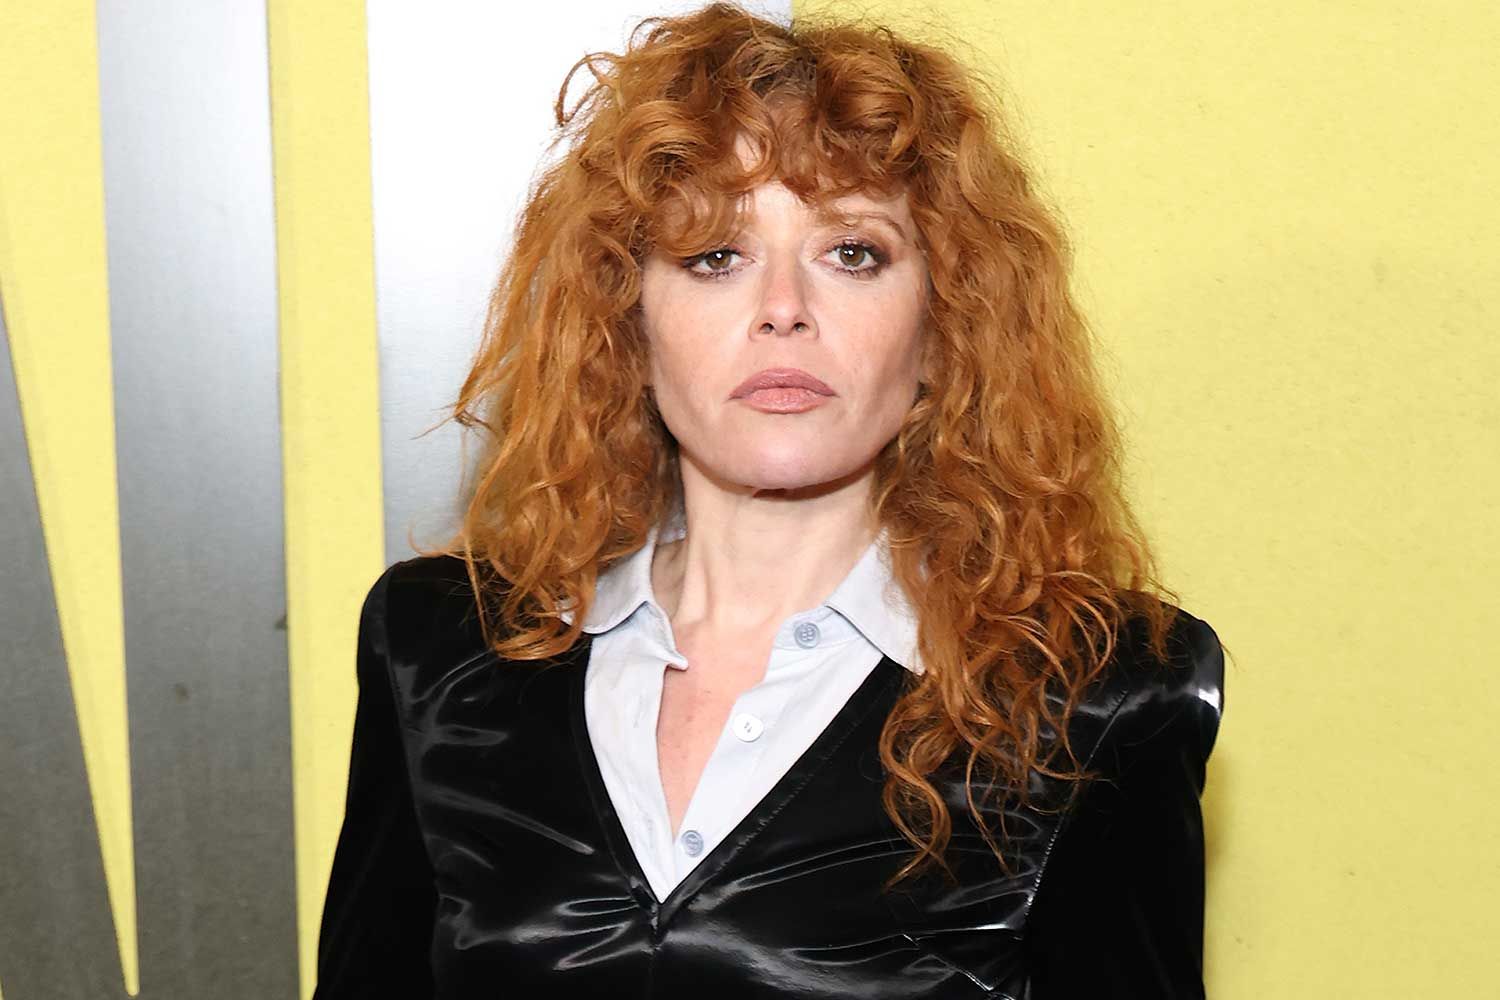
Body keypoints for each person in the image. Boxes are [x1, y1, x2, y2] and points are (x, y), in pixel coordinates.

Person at [312, 4, 1227, 998]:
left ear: (944, 327)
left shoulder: (1101, 695)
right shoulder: (439, 650)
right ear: (628, 323)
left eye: (852, 253)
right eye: (715, 255)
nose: (784, 308)